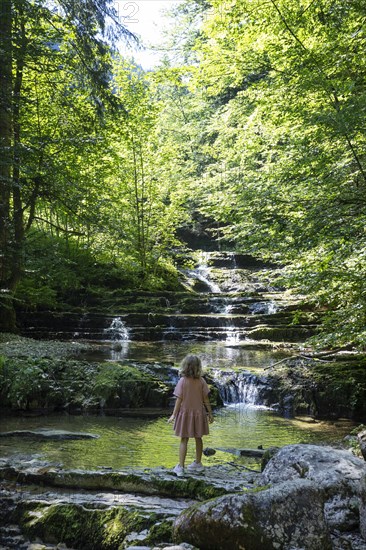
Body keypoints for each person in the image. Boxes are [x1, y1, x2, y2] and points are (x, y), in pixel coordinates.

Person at [168, 354, 214, 477]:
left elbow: (179, 399)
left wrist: (173, 414)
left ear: (185, 366)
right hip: (199, 414)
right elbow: (206, 399)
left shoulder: (182, 381)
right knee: (198, 438)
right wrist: (210, 413)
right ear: (198, 367)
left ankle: (181, 467)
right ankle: (198, 464)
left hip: (185, 414)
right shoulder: (202, 381)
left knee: (184, 439)